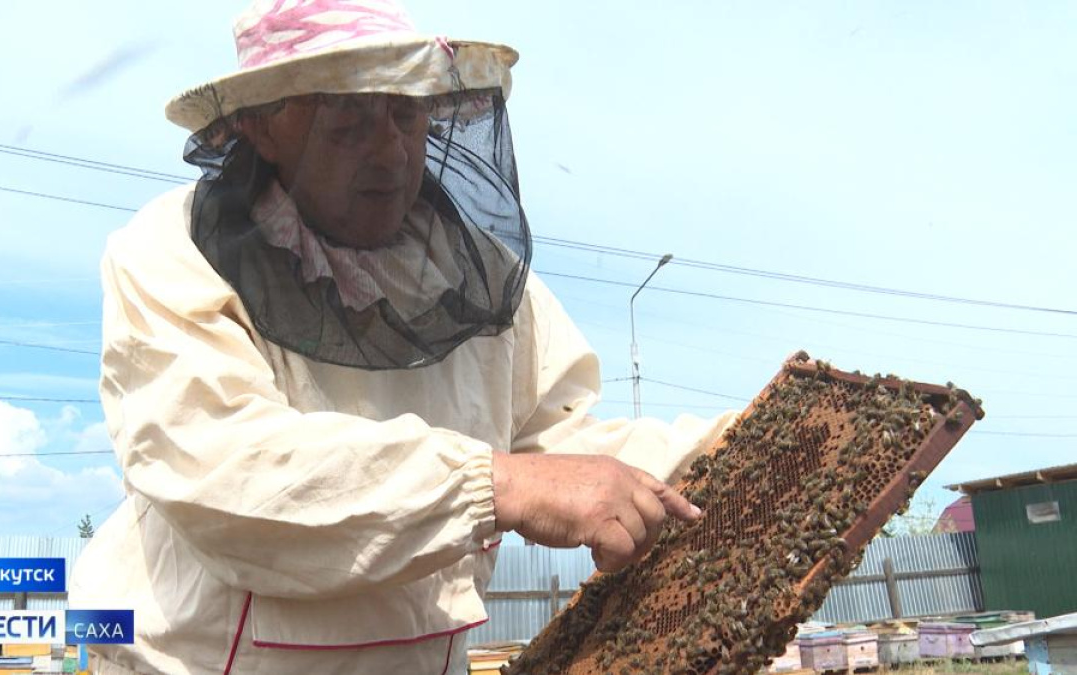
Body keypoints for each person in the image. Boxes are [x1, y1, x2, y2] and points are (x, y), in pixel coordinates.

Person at [69, 1, 735, 673]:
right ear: (264, 127)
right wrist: (498, 484)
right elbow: (228, 475)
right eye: (347, 119)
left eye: (405, 113)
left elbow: (570, 452)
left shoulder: (476, 277)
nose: (389, 149)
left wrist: (741, 456)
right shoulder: (170, 250)